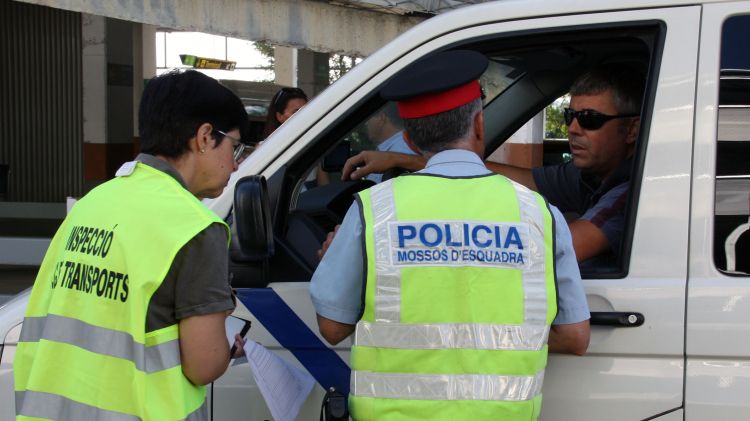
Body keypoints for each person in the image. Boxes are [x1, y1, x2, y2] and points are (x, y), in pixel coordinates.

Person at [310, 50, 589, 421]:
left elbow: (332, 327)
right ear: (478, 125)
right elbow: (574, 336)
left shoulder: (372, 211)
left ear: (408, 140)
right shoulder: (540, 215)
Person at [14, 70, 247, 421]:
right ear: (203, 137)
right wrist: (227, 347)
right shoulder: (196, 228)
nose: (235, 163)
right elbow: (203, 365)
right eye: (234, 146)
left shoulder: (93, 203)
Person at [341, 64, 644, 266]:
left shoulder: (632, 191)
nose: (573, 129)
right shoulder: (588, 176)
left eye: (589, 119)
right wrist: (405, 160)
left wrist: (377, 246)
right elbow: (523, 180)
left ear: (632, 130)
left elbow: (564, 248)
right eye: (570, 117)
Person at [364, 102, 416, 183]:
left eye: (368, 118)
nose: (366, 123)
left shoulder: (401, 150)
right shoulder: (399, 147)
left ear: (381, 117)